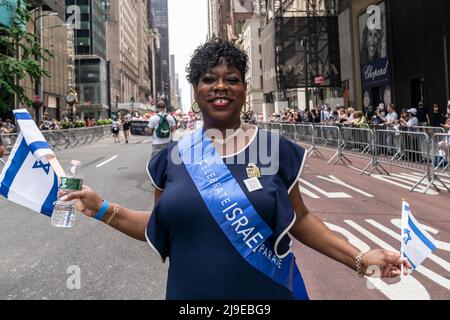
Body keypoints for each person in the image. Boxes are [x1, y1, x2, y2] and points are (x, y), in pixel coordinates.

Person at [61, 39, 411, 300]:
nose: (220, 87)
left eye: (231, 78)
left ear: (244, 88)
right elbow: (158, 225)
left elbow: (301, 219)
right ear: (195, 91)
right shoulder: (171, 159)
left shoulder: (276, 150)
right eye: (208, 79)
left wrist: (360, 257)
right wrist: (102, 208)